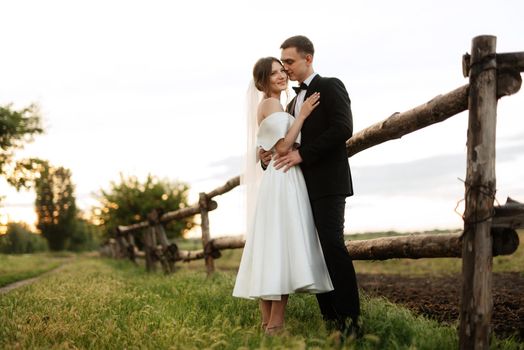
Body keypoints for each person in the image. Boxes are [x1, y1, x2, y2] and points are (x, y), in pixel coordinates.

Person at [263, 35, 360, 336]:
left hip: (329, 183)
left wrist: (301, 154)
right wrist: (266, 156)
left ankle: (352, 325)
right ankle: (330, 321)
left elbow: (343, 128)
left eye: (289, 62)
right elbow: (283, 142)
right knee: (315, 253)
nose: (286, 68)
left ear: (308, 58)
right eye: (283, 63)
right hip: (301, 189)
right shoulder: (292, 103)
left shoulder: (331, 86)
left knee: (332, 246)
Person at [232, 57, 333, 336]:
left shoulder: (272, 105)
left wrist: (266, 153)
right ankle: (276, 325)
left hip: (277, 177)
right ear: (262, 81)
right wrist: (303, 115)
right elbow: (283, 146)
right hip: (284, 178)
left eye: (282, 71)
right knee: (283, 246)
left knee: (273, 246)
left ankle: (268, 323)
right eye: (274, 73)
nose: (281, 76)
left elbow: (268, 150)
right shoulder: (271, 103)